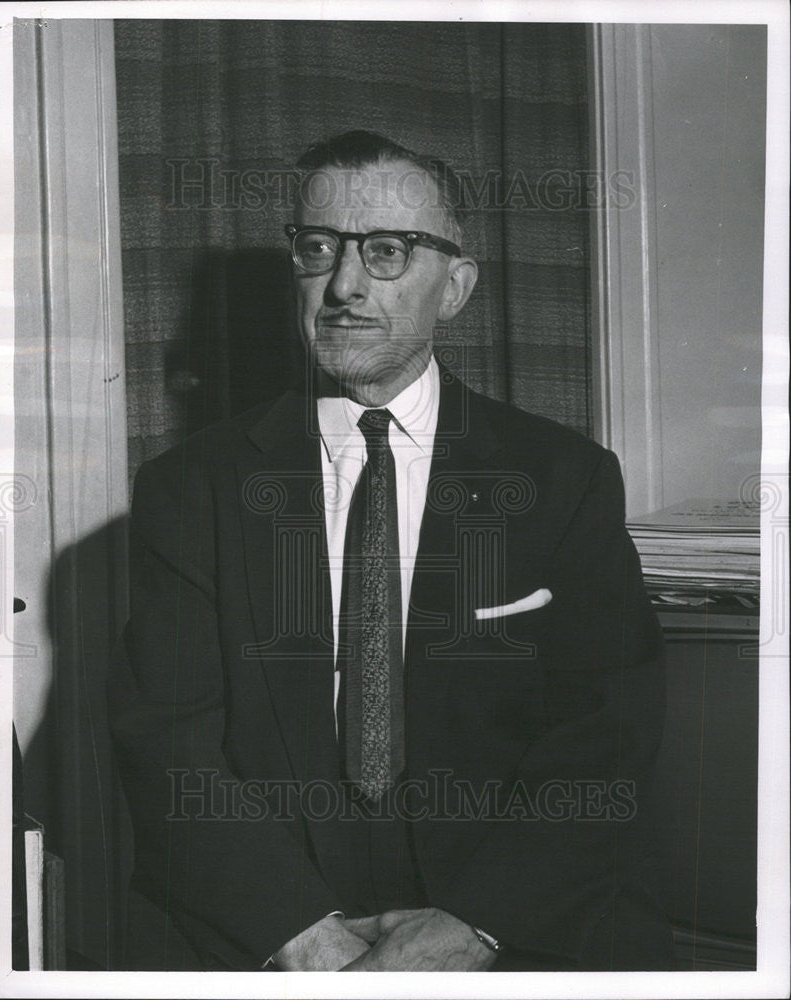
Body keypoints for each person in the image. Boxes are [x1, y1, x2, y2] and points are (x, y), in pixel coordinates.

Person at [108, 130, 674, 972]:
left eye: (385, 252)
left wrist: (475, 924)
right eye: (317, 250)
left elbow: (607, 732)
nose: (342, 286)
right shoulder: (190, 488)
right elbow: (167, 741)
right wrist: (303, 936)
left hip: (514, 923)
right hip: (273, 927)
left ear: (454, 287)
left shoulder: (562, 479)